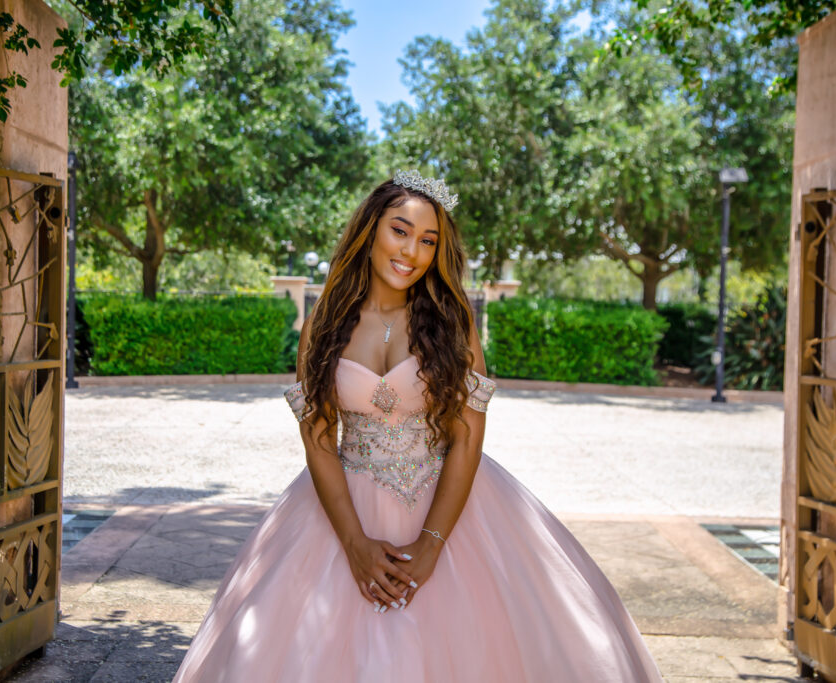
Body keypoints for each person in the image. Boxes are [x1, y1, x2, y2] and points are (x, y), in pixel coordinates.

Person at [174, 171, 663, 682]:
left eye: (428, 240)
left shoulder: (453, 322)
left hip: (450, 506)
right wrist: (355, 544)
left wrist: (431, 545)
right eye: (400, 231)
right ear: (369, 231)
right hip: (342, 508)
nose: (412, 251)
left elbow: (467, 437)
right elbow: (319, 440)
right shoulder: (322, 324)